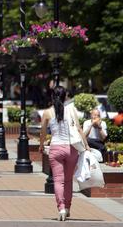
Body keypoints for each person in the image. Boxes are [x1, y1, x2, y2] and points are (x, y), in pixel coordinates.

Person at [39, 86, 90, 221]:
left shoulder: (47, 113)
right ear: (65, 97)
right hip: (70, 149)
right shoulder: (71, 110)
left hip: (55, 148)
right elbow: (79, 129)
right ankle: (67, 208)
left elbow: (43, 132)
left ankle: (61, 208)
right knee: (68, 181)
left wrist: (41, 145)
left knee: (58, 181)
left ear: (52, 96)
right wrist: (86, 145)